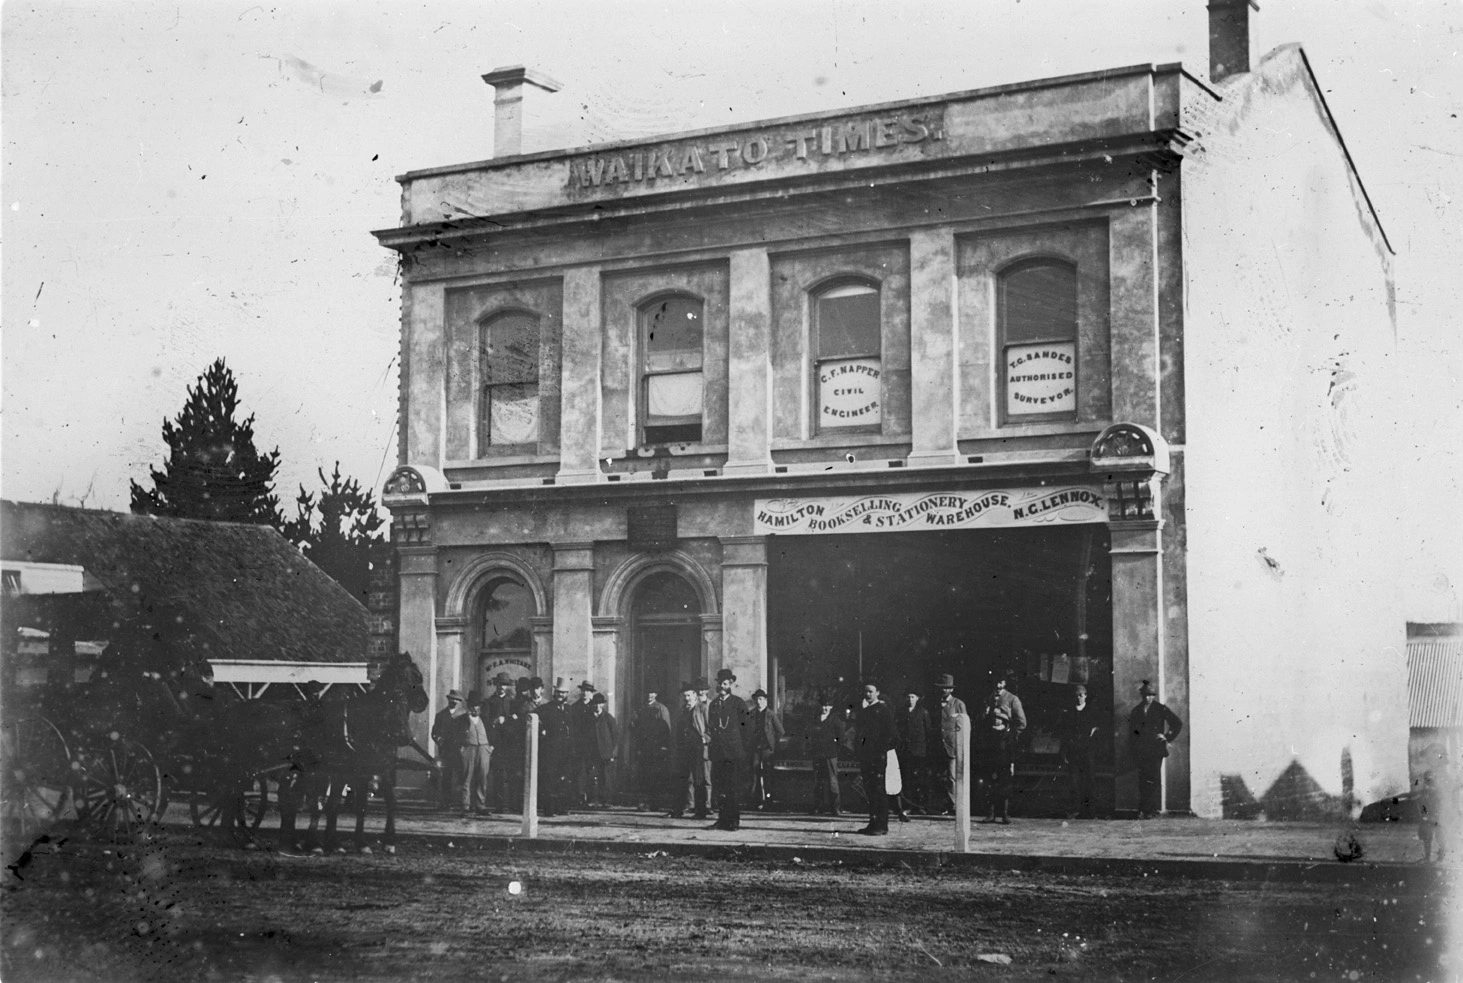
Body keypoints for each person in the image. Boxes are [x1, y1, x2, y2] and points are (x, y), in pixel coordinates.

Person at [975, 670, 1026, 824]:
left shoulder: (1012, 699)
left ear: (1005, 683)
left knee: (1004, 780)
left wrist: (1010, 734)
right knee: (989, 779)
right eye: (995, 682)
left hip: (1004, 743)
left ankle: (1004, 813)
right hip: (990, 743)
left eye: (1000, 682)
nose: (997, 685)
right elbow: (981, 720)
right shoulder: (988, 699)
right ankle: (990, 813)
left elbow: (1022, 722)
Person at [1128, 680, 1182, 819]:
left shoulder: (1160, 709)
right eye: (1146, 695)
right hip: (1141, 750)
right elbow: (1132, 733)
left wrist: (1166, 737)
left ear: (1154, 696)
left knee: (1152, 778)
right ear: (1142, 695)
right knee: (1142, 779)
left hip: (1155, 750)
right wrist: (1133, 750)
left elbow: (1176, 723)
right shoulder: (1136, 710)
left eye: (1151, 695)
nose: (1148, 698)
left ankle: (1150, 810)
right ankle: (1143, 809)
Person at [852, 680, 897, 835]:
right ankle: (873, 823)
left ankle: (882, 825)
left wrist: (880, 751)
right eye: (866, 691)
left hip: (877, 757)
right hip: (866, 756)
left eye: (871, 691)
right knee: (870, 791)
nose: (868, 694)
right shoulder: (864, 711)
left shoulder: (883, 710)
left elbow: (891, 735)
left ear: (878, 693)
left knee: (878, 790)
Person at [706, 668, 749, 831]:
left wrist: (743, 751)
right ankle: (722, 820)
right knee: (720, 788)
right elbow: (711, 727)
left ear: (730, 684)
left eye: (725, 684)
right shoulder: (714, 705)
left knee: (733, 788)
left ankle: (733, 821)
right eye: (720, 683)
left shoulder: (738, 703)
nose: (722, 687)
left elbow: (747, 729)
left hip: (734, 754)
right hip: (718, 753)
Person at [671, 680, 711, 819]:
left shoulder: (702, 708)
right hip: (684, 748)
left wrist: (705, 738)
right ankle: (679, 809)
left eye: (689, 696)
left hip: (697, 747)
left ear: (695, 695)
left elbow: (710, 727)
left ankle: (701, 811)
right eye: (685, 696)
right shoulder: (683, 710)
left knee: (699, 779)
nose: (686, 699)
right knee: (682, 778)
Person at [1058, 684, 1099, 819]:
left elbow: (1098, 728)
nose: (1079, 698)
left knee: (1089, 780)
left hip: (1087, 751)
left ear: (1086, 696)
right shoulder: (1069, 712)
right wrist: (1063, 752)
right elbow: (1064, 733)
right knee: (1074, 781)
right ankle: (1074, 809)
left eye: (1081, 695)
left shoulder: (1092, 710)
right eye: (1076, 695)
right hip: (1073, 751)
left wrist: (1094, 732)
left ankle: (1089, 810)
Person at [931, 674, 969, 816]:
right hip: (938, 746)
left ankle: (954, 805)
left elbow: (964, 725)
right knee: (939, 776)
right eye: (942, 688)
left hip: (953, 746)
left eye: (947, 688)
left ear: (951, 690)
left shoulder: (958, 704)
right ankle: (942, 804)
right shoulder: (936, 703)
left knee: (952, 777)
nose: (944, 691)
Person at [537, 678, 575, 817]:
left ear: (567, 694)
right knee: (549, 780)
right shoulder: (545, 709)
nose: (560, 695)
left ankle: (562, 807)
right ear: (554, 692)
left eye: (563, 693)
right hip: (550, 751)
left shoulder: (570, 710)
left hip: (566, 752)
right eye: (558, 692)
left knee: (564, 779)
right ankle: (549, 809)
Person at [630, 688, 672, 812]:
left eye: (652, 693)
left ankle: (655, 803)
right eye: (647, 693)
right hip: (644, 747)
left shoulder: (661, 708)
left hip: (657, 747)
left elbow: (666, 729)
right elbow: (633, 728)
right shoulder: (640, 709)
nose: (649, 695)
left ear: (656, 694)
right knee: (643, 775)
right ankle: (644, 802)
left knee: (655, 776)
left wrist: (664, 746)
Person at [805, 693, 846, 817]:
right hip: (817, 754)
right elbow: (809, 735)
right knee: (818, 782)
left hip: (830, 755)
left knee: (832, 782)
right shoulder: (815, 719)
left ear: (831, 707)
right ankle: (818, 807)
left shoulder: (835, 720)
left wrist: (833, 749)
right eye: (823, 705)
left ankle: (835, 808)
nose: (825, 708)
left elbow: (841, 738)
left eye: (827, 706)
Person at [893, 685, 930, 817]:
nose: (910, 699)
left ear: (918, 698)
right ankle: (907, 806)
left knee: (919, 779)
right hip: (905, 751)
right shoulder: (901, 712)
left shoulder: (923, 712)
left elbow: (928, 732)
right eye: (908, 697)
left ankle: (920, 806)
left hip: (919, 752)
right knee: (906, 779)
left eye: (913, 697)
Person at [484, 672, 517, 811]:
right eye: (499, 684)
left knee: (512, 774)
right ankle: (498, 805)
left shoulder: (513, 702)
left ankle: (512, 804)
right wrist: (496, 721)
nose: (501, 687)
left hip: (510, 744)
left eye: (504, 684)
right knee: (498, 774)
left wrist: (507, 719)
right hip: (496, 744)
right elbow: (486, 722)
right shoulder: (489, 702)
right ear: (495, 685)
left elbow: (517, 719)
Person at [747, 689, 784, 810]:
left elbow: (780, 731)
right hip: (755, 749)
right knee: (754, 775)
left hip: (767, 750)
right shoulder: (751, 714)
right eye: (757, 699)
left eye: (761, 699)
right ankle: (755, 801)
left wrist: (772, 743)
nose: (759, 702)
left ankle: (769, 801)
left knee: (768, 775)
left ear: (765, 700)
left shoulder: (771, 714)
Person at [430, 689, 467, 810]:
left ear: (459, 702)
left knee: (462, 776)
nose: (454, 701)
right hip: (446, 751)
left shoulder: (463, 715)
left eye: (456, 700)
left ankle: (462, 802)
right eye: (452, 699)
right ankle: (446, 802)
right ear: (448, 700)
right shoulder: (441, 715)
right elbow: (434, 732)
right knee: (446, 777)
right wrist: (438, 739)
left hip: (459, 751)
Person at [459, 698, 494, 819]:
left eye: (478, 706)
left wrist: (491, 748)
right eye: (473, 706)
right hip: (469, 748)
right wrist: (461, 748)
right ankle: (465, 806)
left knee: (483, 777)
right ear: (469, 707)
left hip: (483, 749)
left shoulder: (485, 719)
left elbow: (493, 733)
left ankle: (480, 806)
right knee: (466, 777)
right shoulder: (462, 719)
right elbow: (455, 734)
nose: (476, 709)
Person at [585, 693, 619, 806]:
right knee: (591, 776)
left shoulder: (609, 718)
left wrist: (610, 751)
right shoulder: (588, 718)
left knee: (605, 777)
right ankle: (593, 799)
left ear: (603, 704)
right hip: (592, 752)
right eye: (595, 704)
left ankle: (606, 800)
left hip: (605, 753)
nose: (597, 706)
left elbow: (615, 736)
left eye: (600, 704)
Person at [571, 681, 598, 807]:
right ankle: (580, 797)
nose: (585, 693)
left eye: (588, 691)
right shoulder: (575, 708)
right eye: (584, 690)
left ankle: (592, 798)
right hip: (579, 746)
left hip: (593, 746)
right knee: (580, 772)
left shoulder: (596, 707)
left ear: (592, 693)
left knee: (592, 772)